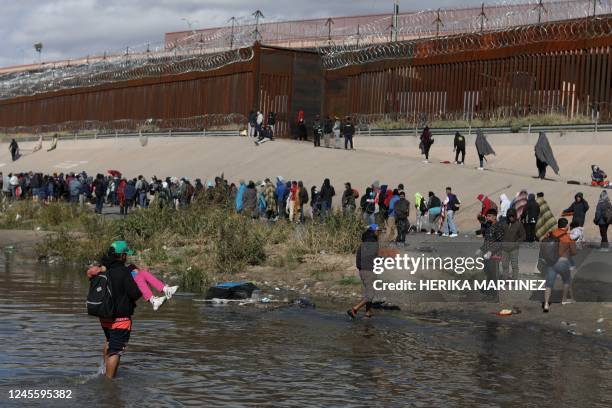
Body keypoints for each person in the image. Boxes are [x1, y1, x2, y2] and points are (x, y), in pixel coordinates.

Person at [96, 241, 142, 379]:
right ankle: (109, 383)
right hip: (120, 319)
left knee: (110, 342)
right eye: (126, 255)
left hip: (104, 317)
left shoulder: (104, 270)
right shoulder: (124, 272)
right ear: (122, 255)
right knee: (115, 351)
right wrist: (139, 279)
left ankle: (105, 371)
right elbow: (135, 294)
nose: (127, 258)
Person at [542, 218, 576, 312]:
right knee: (567, 281)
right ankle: (564, 300)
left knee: (549, 283)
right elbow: (574, 252)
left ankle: (546, 304)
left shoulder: (552, 233)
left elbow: (543, 241)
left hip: (551, 262)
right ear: (566, 226)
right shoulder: (568, 237)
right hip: (563, 262)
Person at [347, 224, 380, 320]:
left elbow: (360, 258)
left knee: (369, 292)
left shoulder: (364, 243)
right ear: (374, 232)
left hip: (363, 270)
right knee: (370, 295)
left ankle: (368, 313)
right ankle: (354, 309)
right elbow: (373, 258)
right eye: (378, 231)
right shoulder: (372, 243)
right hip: (369, 271)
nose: (379, 233)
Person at [478, 208, 504, 299]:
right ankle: (489, 293)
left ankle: (495, 296)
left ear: (494, 217)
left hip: (495, 255)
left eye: (489, 216)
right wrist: (481, 249)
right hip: (486, 255)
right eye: (487, 216)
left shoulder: (498, 227)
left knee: (494, 275)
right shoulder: (488, 227)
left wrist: (490, 252)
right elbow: (487, 240)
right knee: (488, 274)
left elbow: (500, 242)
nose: (488, 218)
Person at [501, 208, 525, 279]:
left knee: (514, 266)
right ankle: (505, 279)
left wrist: (516, 243)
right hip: (504, 249)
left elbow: (523, 236)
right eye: (509, 216)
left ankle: (514, 279)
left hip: (514, 249)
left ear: (515, 216)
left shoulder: (519, 225)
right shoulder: (504, 224)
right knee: (504, 265)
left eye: (512, 216)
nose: (511, 218)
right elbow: (500, 235)